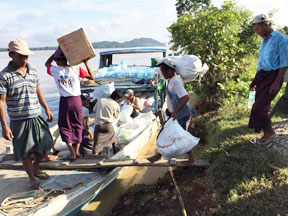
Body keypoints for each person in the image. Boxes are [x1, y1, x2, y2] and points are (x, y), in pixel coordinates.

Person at [0, 40, 54, 189]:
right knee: (24, 151)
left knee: (45, 146)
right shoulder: (4, 76)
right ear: (11, 55)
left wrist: (47, 108)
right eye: (21, 56)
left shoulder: (33, 70)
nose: (24, 59)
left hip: (36, 115)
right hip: (19, 119)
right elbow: (1, 102)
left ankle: (36, 168)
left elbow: (37, 91)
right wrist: (4, 126)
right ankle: (32, 178)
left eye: (26, 56)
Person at [45, 47, 94, 160]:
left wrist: (56, 51)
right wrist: (86, 63)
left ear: (57, 60)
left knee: (65, 126)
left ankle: (72, 153)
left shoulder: (55, 70)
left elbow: (47, 63)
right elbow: (92, 77)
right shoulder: (76, 68)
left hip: (65, 101)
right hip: (77, 101)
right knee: (77, 125)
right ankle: (77, 152)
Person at [248, 14, 288, 145]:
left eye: (258, 29)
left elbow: (284, 62)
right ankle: (266, 132)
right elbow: (261, 63)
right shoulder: (264, 41)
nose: (257, 33)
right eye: (255, 30)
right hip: (262, 77)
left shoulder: (280, 39)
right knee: (261, 107)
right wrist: (255, 81)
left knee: (258, 108)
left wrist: (277, 82)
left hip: (273, 77)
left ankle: (269, 132)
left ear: (266, 24)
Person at [147, 58, 195, 164]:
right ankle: (160, 155)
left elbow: (185, 98)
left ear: (169, 71)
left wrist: (175, 111)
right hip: (176, 114)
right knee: (167, 133)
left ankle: (190, 160)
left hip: (180, 115)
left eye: (163, 71)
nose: (162, 74)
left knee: (181, 137)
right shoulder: (171, 80)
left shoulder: (176, 81)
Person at [93, 90, 123, 155]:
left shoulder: (100, 100)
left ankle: (94, 157)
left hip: (98, 125)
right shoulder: (116, 104)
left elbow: (94, 110)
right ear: (117, 98)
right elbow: (116, 115)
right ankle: (115, 151)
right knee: (113, 138)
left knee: (97, 144)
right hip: (108, 126)